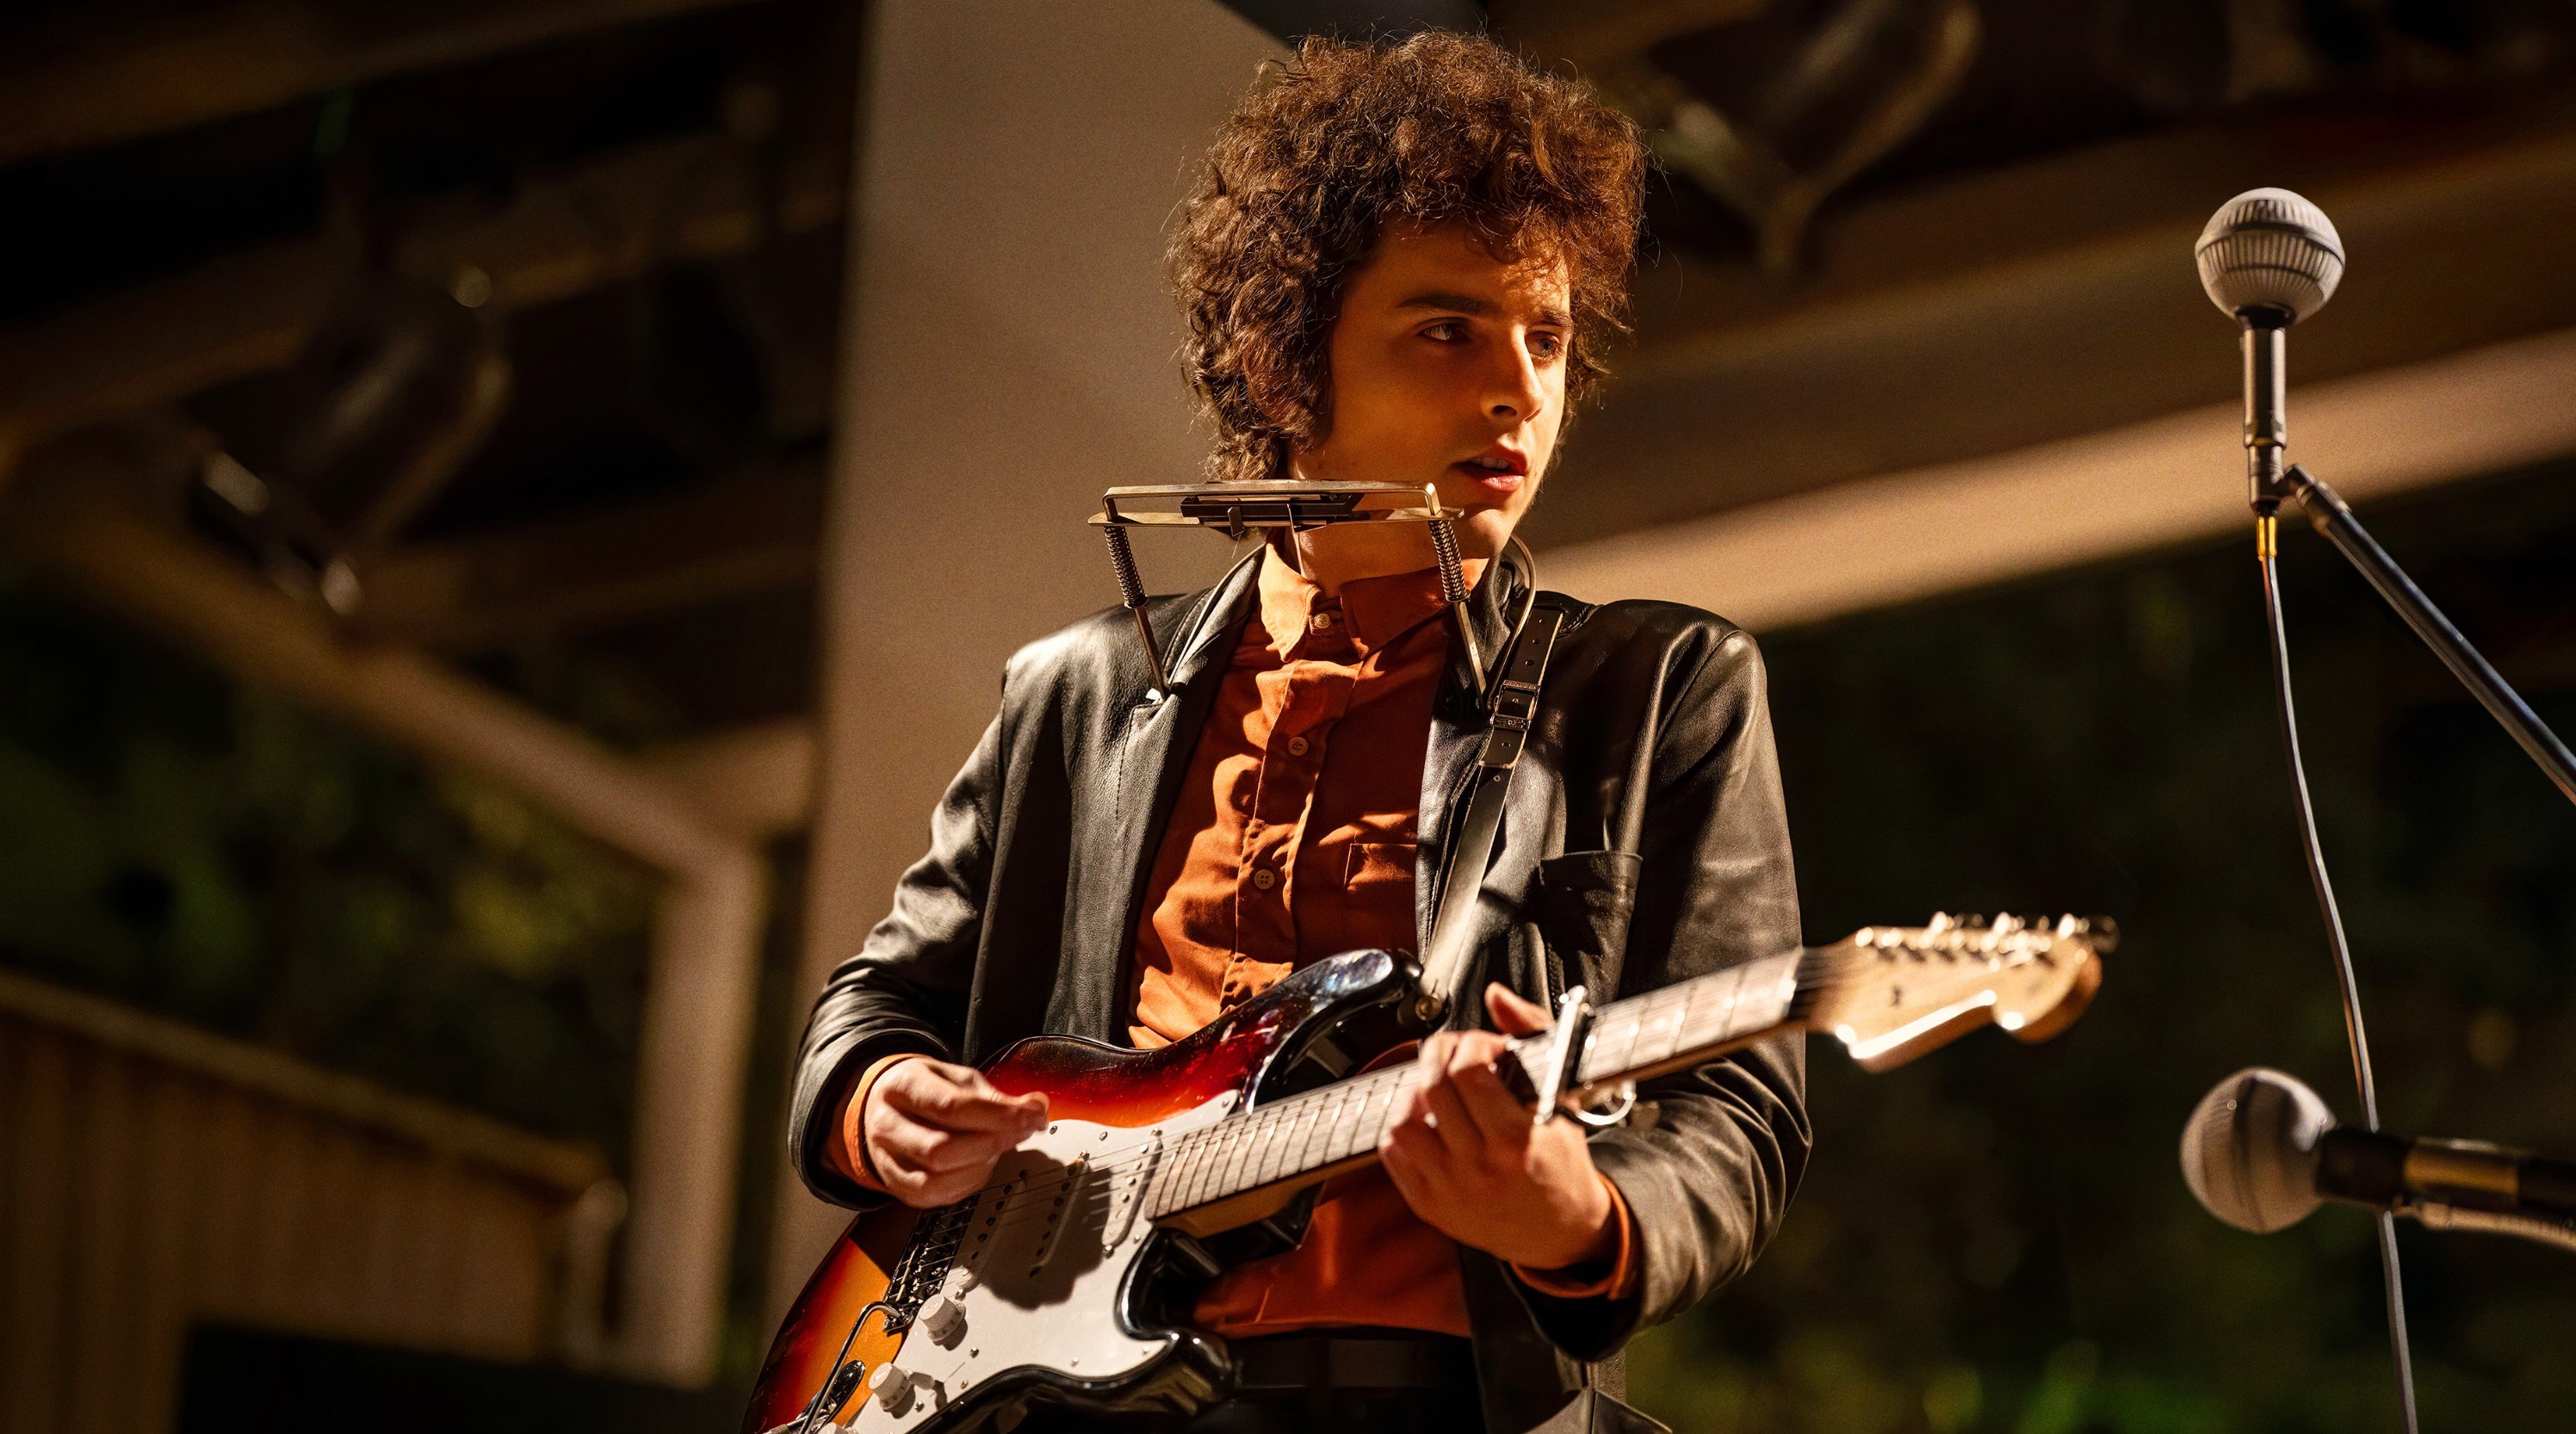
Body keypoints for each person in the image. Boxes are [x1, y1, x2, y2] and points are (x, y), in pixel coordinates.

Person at [787, 31, 1807, 1434]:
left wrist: (1578, 1214)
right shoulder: (1077, 693)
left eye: (1548, 338)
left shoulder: (1661, 689)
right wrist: (881, 1097)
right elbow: (874, 1005)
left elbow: (1741, 1112)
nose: (1520, 389)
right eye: (1449, 329)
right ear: (1280, 365)